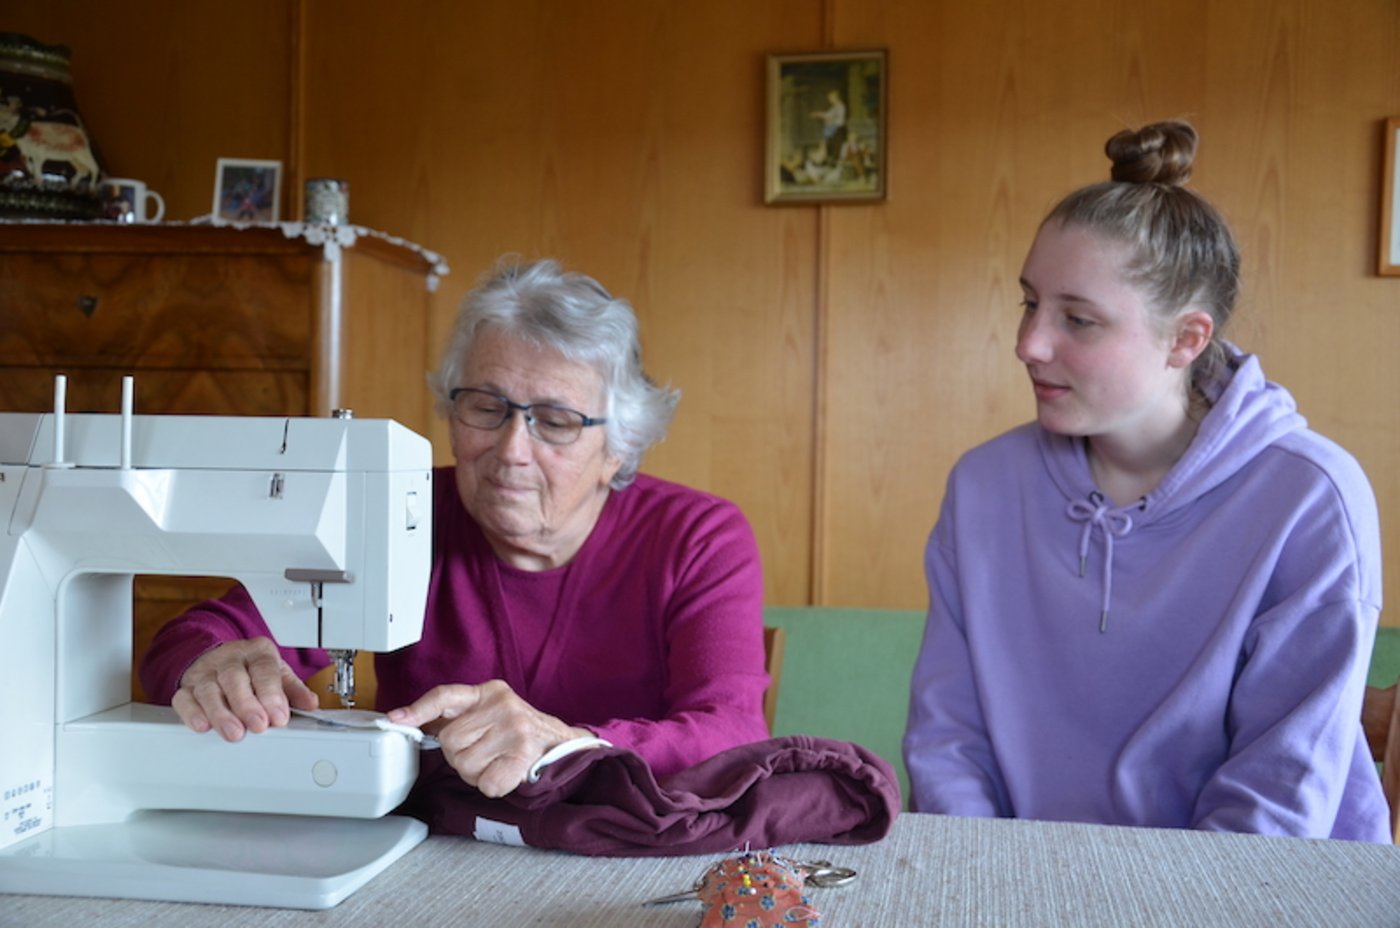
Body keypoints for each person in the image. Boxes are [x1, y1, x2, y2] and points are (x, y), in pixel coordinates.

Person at [901, 120, 1388, 841]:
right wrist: (989, 888)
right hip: (1010, 891)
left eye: (1080, 320)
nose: (1028, 344)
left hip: (1250, 897)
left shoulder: (1310, 498)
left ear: (1186, 339)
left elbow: (1276, 797)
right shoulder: (984, 487)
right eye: (1030, 302)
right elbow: (948, 742)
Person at [141, 257, 771, 800]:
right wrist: (214, 664)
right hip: (432, 846)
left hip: (618, 856)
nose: (512, 449)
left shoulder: (697, 538)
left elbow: (732, 731)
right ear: (450, 410)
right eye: (486, 407)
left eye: (554, 420)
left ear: (620, 448)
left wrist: (569, 744)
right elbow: (197, 635)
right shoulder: (399, 512)